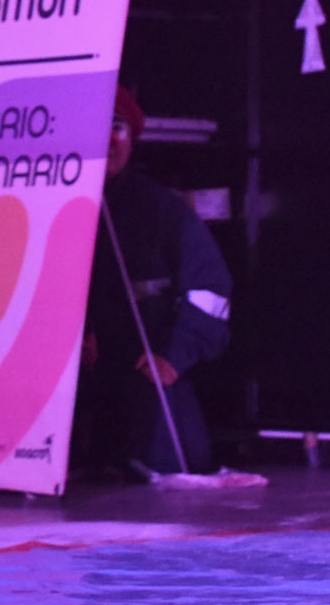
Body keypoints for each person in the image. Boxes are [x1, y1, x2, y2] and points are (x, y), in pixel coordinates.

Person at [74, 85, 234, 476]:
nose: (108, 139)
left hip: (143, 373)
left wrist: (174, 355)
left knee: (178, 464)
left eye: (117, 127)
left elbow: (211, 289)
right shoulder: (47, 206)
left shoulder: (163, 211)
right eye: (96, 126)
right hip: (71, 383)